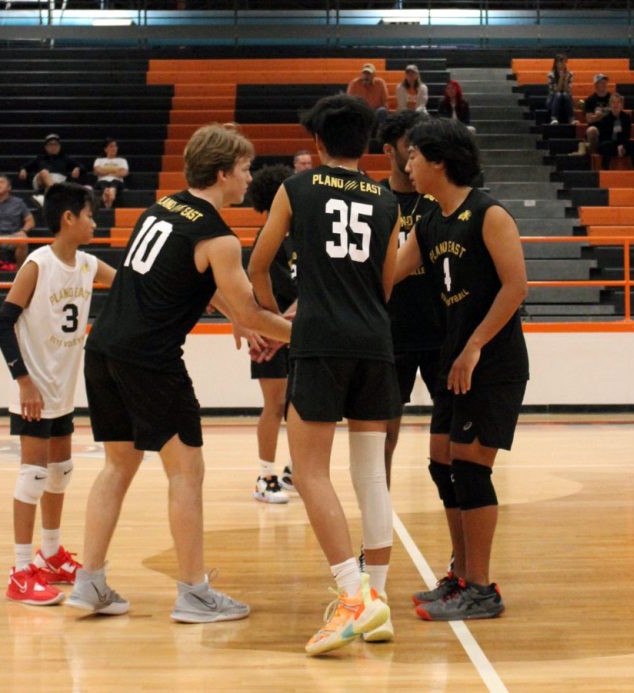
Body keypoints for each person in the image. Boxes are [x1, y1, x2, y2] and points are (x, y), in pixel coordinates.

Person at [66, 123, 292, 621]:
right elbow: (253, 312)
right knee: (187, 472)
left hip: (103, 348)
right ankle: (194, 592)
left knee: (117, 466)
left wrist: (238, 317)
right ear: (221, 174)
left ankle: (90, 581)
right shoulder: (220, 238)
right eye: (244, 170)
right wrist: (301, 334)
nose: (247, 178)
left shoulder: (162, 207)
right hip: (150, 358)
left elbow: (186, 277)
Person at [248, 95, 398, 655]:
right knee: (371, 476)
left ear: (317, 144)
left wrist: (267, 317)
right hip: (375, 341)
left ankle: (354, 597)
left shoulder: (296, 189)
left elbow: (259, 263)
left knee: (310, 472)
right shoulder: (387, 200)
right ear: (366, 145)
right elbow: (386, 283)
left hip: (319, 340)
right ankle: (376, 602)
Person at [397, 118, 529, 621]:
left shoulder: (488, 213)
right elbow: (391, 272)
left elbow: (516, 288)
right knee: (441, 464)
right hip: (453, 361)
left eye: (413, 156)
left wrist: (473, 345)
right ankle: (459, 575)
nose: (406, 164)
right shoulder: (430, 216)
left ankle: (481, 587)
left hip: (491, 362)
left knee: (472, 469)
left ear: (438, 162)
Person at [0, 183, 116, 606]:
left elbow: (129, 286)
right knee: (34, 476)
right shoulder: (37, 265)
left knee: (61, 471)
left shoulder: (87, 264)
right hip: (35, 389)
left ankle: (51, 554)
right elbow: (1, 323)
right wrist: (23, 380)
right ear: (68, 218)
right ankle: (21, 570)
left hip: (63, 388)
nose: (94, 223)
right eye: (89, 215)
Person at [377, 110, 444, 488]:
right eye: (409, 145)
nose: (417, 152)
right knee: (384, 439)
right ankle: (380, 524)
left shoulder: (439, 201)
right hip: (391, 334)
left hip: (440, 332)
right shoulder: (374, 201)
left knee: (452, 440)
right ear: (390, 150)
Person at [246, 164, 297, 503]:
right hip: (272, 333)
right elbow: (274, 292)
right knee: (275, 405)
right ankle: (266, 476)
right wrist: (277, 328)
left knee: (299, 405)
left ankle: (295, 471)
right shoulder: (271, 235)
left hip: (295, 331)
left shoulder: (299, 233)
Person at [18, 134, 82, 206]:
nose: (53, 147)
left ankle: (48, 199)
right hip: (41, 180)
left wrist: (77, 168)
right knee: (44, 172)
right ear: (46, 147)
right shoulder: (41, 158)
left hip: (59, 181)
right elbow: (26, 166)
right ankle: (58, 197)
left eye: (55, 145)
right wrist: (23, 169)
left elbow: (82, 167)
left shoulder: (65, 158)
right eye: (50, 145)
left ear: (59, 146)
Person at [595, 93, 634, 171]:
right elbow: (604, 136)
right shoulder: (605, 118)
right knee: (606, 145)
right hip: (609, 144)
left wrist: (622, 145)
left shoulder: (626, 117)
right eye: (613, 102)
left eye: (618, 102)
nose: (615, 105)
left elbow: (627, 135)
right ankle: (605, 171)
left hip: (622, 145)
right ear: (610, 105)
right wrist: (616, 146)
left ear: (622, 105)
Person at [346, 63, 389, 130]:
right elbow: (349, 102)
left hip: (375, 112)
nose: (366, 76)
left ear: (374, 75)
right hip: (360, 111)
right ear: (361, 74)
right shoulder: (354, 84)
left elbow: (385, 102)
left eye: (369, 74)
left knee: (382, 111)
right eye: (364, 73)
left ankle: (380, 136)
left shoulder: (380, 83)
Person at [580, 73, 612, 157]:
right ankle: (594, 157)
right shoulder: (590, 100)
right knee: (592, 130)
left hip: (610, 126)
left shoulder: (612, 98)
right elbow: (589, 119)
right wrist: (603, 114)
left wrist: (598, 115)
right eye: (601, 82)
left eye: (605, 82)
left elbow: (617, 112)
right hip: (596, 128)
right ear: (596, 85)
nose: (604, 84)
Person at [93, 138, 129, 210]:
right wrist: (115, 170)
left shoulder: (122, 160)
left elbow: (124, 173)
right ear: (105, 149)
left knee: (114, 182)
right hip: (102, 181)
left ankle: (110, 193)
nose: (114, 148)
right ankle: (109, 193)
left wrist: (105, 171)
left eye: (115, 146)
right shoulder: (99, 160)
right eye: (111, 146)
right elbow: (97, 171)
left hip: (117, 181)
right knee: (104, 183)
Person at [546, 54, 575, 125]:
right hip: (552, 101)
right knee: (558, 94)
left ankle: (571, 119)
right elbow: (556, 90)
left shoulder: (570, 74)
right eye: (560, 62)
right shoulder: (551, 75)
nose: (562, 65)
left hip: (566, 99)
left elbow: (567, 90)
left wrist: (565, 79)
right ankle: (554, 118)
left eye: (564, 62)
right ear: (556, 63)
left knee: (565, 94)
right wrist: (561, 78)